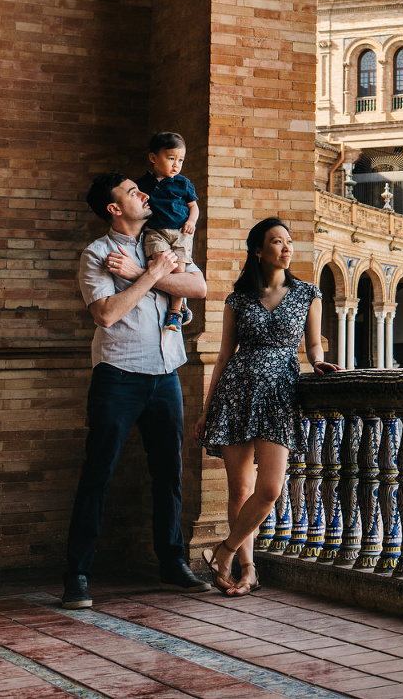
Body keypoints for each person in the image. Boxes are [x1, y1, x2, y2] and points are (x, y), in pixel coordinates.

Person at [65, 172, 211, 609]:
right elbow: (106, 314)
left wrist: (144, 271)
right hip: (119, 376)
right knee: (98, 475)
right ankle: (76, 575)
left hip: (166, 375)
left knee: (169, 474)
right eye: (132, 192)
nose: (143, 194)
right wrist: (144, 277)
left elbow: (198, 287)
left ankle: (172, 565)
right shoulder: (96, 254)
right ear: (114, 208)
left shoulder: (164, 240)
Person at [195, 217, 338, 595]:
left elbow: (313, 346)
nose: (287, 248)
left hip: (279, 396)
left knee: (270, 488)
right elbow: (224, 356)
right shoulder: (238, 299)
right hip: (236, 392)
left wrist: (320, 361)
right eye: (277, 242)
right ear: (259, 250)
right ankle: (247, 570)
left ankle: (222, 552)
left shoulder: (309, 293)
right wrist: (208, 410)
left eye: (289, 241)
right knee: (239, 491)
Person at [137, 132, 200, 331]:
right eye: (171, 158)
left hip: (181, 232)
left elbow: (194, 206)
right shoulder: (143, 184)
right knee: (159, 264)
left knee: (179, 271)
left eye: (180, 160)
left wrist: (192, 221)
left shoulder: (183, 183)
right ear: (153, 158)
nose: (176, 164)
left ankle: (175, 313)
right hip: (156, 231)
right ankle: (177, 301)